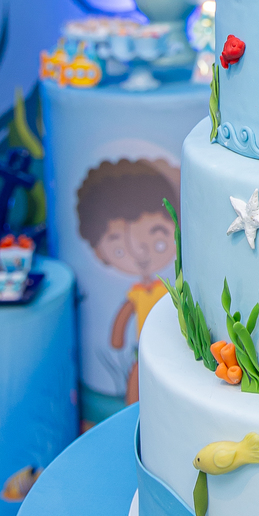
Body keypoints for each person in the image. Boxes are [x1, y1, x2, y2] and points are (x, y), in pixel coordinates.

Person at [76, 159, 177, 405]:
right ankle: (132, 413)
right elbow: (125, 314)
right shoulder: (137, 294)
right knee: (137, 376)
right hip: (144, 346)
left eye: (158, 241)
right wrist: (117, 338)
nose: (141, 254)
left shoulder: (168, 289)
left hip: (171, 344)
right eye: (120, 249)